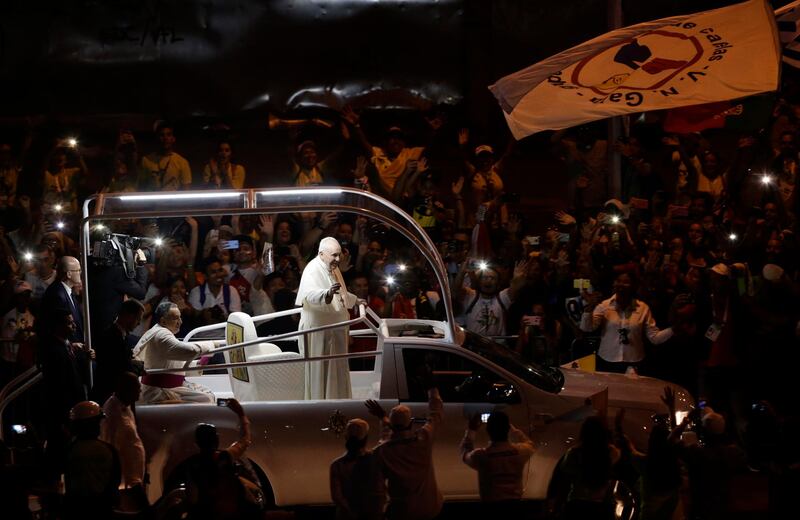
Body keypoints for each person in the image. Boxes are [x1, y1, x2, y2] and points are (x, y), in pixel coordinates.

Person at [365, 380, 443, 520]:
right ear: (411, 423)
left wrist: (382, 417)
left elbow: (378, 490)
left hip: (402, 512)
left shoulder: (382, 452)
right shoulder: (424, 439)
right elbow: (435, 414)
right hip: (430, 508)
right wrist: (432, 387)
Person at [295, 237, 358, 399]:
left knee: (337, 369)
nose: (337, 259)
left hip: (335, 329)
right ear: (321, 254)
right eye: (334, 255)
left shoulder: (333, 267)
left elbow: (340, 293)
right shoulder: (312, 269)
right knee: (320, 372)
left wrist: (355, 300)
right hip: (320, 331)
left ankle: (339, 401)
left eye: (339, 255)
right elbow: (308, 295)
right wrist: (326, 294)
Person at [580, 271, 673, 373]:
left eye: (626, 282)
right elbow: (587, 328)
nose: (621, 285)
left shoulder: (643, 308)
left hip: (634, 362)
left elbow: (654, 338)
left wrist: (674, 329)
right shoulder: (604, 306)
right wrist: (589, 307)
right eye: (618, 281)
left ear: (634, 286)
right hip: (607, 361)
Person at [183, 398, 260, 520]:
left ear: (197, 442)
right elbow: (245, 439)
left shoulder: (192, 466)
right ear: (216, 440)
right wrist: (241, 413)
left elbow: (192, 497)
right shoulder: (225, 456)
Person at [39, 309, 93, 476]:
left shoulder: (66, 346)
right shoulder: (55, 351)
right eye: (69, 323)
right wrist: (64, 419)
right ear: (58, 326)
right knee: (59, 454)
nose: (73, 325)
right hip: (63, 413)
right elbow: (58, 387)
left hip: (69, 410)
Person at [133, 302, 218, 403]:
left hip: (169, 387)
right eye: (175, 318)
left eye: (180, 317)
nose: (180, 322)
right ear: (163, 321)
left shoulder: (160, 331)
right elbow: (188, 351)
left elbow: (172, 363)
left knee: (208, 394)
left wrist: (197, 364)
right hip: (158, 392)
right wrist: (211, 345)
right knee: (206, 399)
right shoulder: (161, 335)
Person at [460, 410, 536, 515]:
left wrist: (472, 430)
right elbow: (530, 444)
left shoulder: (482, 456)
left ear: (488, 430)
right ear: (508, 429)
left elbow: (465, 453)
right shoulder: (520, 452)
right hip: (515, 506)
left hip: (491, 507)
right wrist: (515, 430)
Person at [64, 401, 121, 520]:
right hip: (102, 509)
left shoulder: (69, 450)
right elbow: (115, 481)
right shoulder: (108, 450)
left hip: (75, 510)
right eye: (97, 422)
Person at [556, 416, 619, 520]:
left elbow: (565, 480)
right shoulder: (611, 453)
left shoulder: (573, 453)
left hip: (577, 503)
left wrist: (559, 503)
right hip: (601, 505)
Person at [100, 372, 147, 508]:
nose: (140, 390)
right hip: (126, 484)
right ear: (126, 389)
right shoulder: (113, 414)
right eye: (137, 387)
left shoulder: (124, 407)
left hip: (133, 479)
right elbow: (111, 447)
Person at [329, 418, 386, 520]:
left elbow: (337, 497)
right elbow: (379, 492)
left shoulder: (337, 465)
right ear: (366, 438)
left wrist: (351, 513)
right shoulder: (376, 460)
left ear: (346, 437)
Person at [91, 299, 145, 405]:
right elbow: (120, 368)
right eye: (138, 318)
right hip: (110, 396)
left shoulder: (121, 335)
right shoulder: (111, 337)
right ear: (127, 315)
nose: (139, 323)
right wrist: (138, 367)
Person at [39, 255, 84, 342]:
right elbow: (57, 327)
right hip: (64, 350)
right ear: (69, 274)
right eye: (78, 270)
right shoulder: (57, 294)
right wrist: (71, 345)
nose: (80, 273)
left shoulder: (68, 292)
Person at [140, 121, 192, 191]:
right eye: (162, 135)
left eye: (168, 135)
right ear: (157, 138)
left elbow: (186, 190)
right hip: (152, 201)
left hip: (173, 201)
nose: (165, 138)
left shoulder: (182, 162)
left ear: (173, 138)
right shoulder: (146, 160)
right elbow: (141, 187)